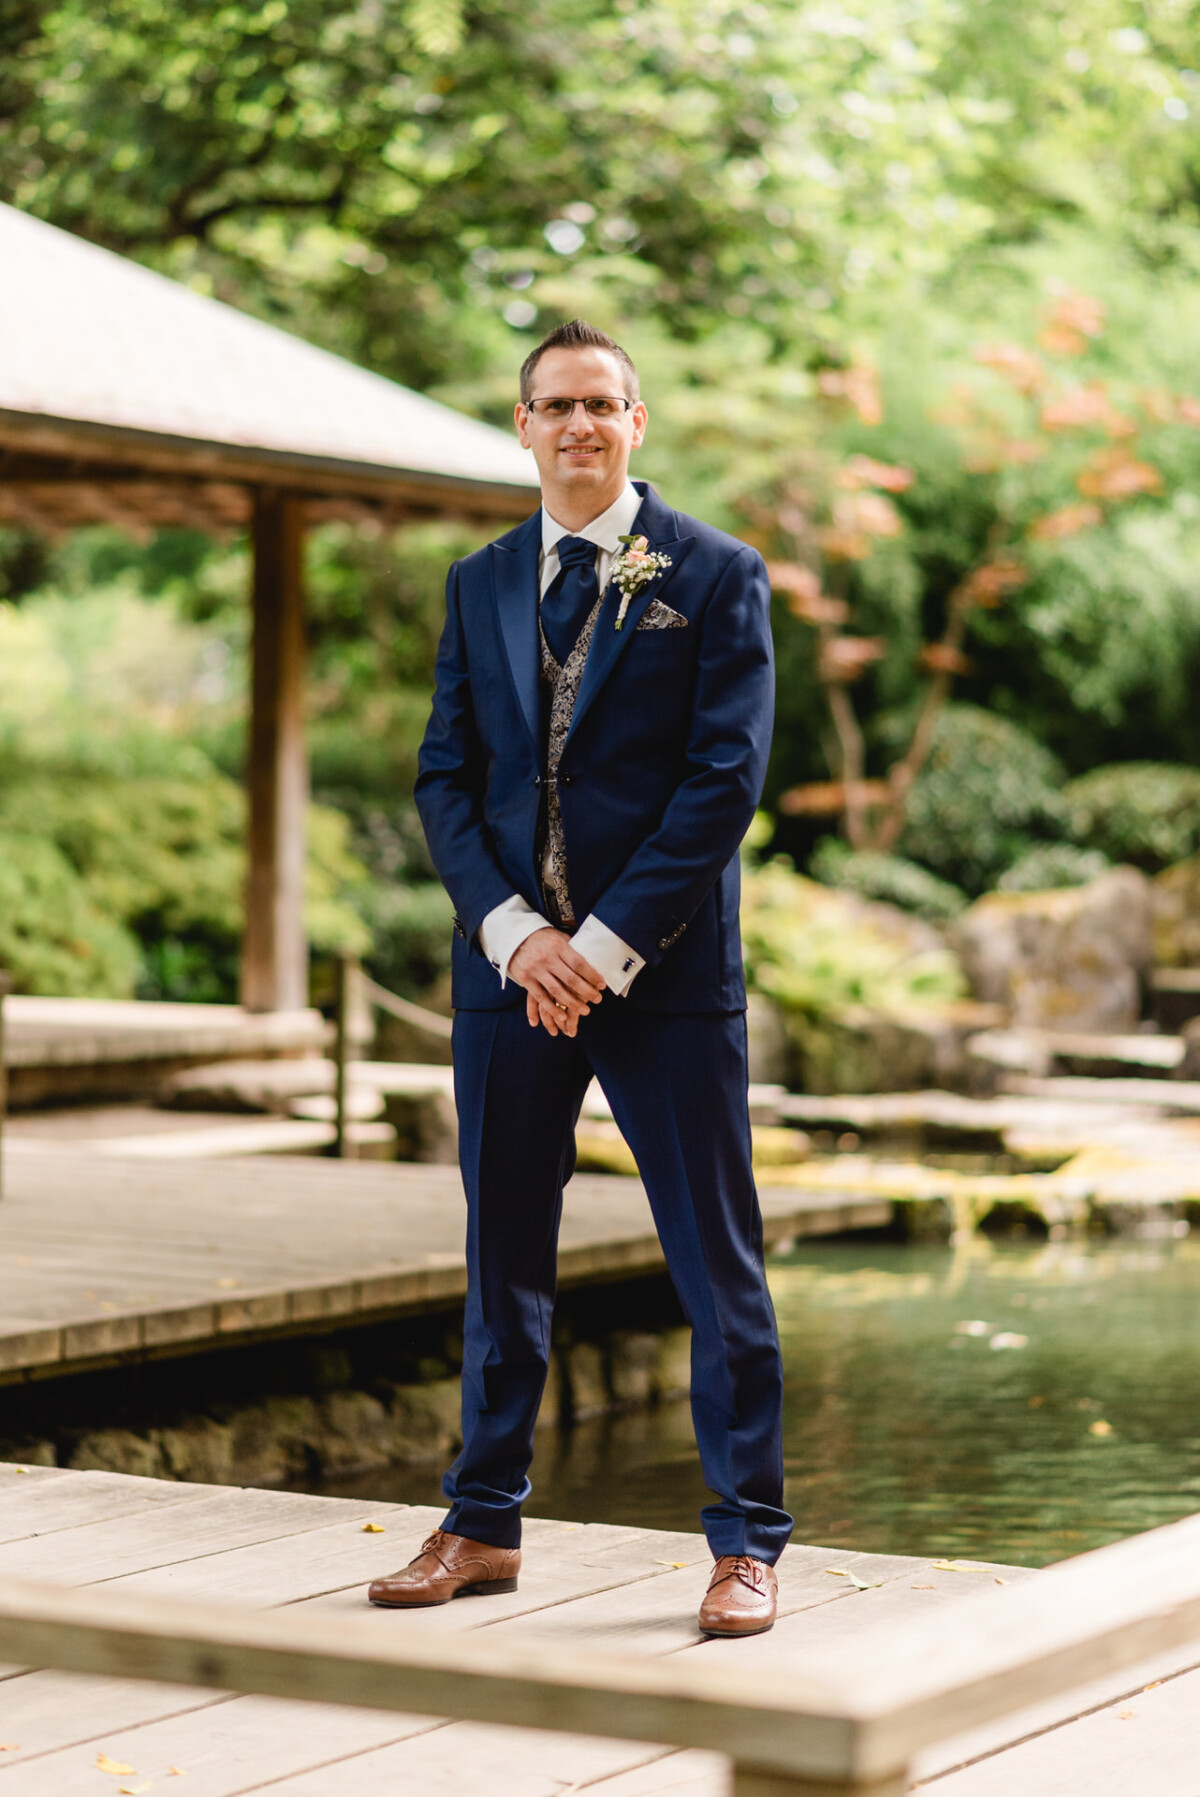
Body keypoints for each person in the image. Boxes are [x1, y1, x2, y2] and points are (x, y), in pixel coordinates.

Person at [367, 320, 793, 1637]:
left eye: (603, 404)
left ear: (637, 423)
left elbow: (723, 782)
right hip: (510, 978)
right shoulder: (479, 581)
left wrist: (601, 945)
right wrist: (513, 933)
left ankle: (745, 1543)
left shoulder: (717, 577)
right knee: (504, 1257)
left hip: (660, 980)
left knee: (712, 1260)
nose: (580, 426)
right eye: (556, 405)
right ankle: (482, 1523)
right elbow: (447, 776)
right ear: (522, 424)